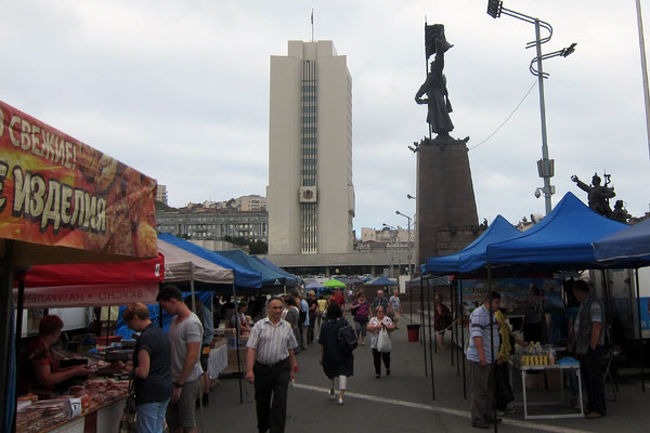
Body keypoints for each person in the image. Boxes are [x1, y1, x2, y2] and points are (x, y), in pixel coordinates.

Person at [246, 297, 298, 433]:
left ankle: (277, 430)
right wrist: (249, 370)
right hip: (262, 369)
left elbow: (291, 348)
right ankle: (263, 427)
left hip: (281, 368)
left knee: (280, 401)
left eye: (280, 308)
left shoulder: (287, 326)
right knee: (262, 402)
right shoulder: (259, 326)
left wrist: (293, 369)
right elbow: (251, 348)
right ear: (268, 309)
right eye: (274, 308)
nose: (277, 311)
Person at [157, 286, 204, 433]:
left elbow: (192, 356)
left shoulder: (192, 323)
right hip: (173, 379)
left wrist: (180, 384)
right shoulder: (175, 321)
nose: (165, 310)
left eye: (165, 306)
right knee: (173, 421)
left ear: (173, 301)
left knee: (187, 422)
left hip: (187, 380)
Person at [123, 303, 172, 433]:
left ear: (136, 318)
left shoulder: (145, 339)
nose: (129, 327)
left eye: (129, 323)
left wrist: (126, 368)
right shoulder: (161, 333)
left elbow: (143, 371)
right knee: (157, 428)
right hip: (164, 388)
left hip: (149, 393)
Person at [18, 315, 90, 398]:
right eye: (59, 331)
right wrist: (74, 371)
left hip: (41, 393)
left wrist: (74, 368)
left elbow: (52, 370)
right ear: (54, 332)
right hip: (35, 395)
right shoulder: (39, 348)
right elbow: (46, 379)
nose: (60, 334)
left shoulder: (43, 346)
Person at [572, 280, 606, 419]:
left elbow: (596, 325)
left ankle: (598, 408)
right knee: (588, 378)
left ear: (581, 291)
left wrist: (592, 346)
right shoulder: (584, 304)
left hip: (592, 347)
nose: (575, 296)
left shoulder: (594, 304)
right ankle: (592, 406)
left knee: (594, 379)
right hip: (584, 348)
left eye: (575, 293)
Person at [467, 292, 501, 429]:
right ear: (489, 302)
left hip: (489, 357)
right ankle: (477, 417)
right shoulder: (479, 314)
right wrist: (482, 355)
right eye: (497, 302)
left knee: (489, 388)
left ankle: (487, 413)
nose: (499, 305)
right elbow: (477, 335)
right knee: (480, 389)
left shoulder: (490, 314)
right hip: (480, 359)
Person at [415, 32, 454, 137]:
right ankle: (442, 133)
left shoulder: (435, 74)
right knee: (438, 117)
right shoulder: (433, 75)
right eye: (432, 65)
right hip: (435, 99)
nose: (432, 66)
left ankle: (443, 133)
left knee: (440, 117)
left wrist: (438, 45)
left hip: (436, 98)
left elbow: (439, 58)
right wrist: (418, 97)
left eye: (433, 65)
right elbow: (424, 87)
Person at [319, 303, 354, 405]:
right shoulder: (343, 322)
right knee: (343, 371)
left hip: (329, 352)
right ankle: (341, 397)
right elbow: (349, 338)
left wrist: (321, 356)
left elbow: (321, 342)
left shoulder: (325, 325)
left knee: (331, 372)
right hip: (343, 351)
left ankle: (332, 390)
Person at [185, 296, 214, 406]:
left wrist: (198, 338)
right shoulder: (201, 312)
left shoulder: (204, 312)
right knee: (204, 369)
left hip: (204, 344)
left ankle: (203, 395)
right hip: (204, 343)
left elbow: (208, 330)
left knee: (202, 369)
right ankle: (204, 394)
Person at [494, 308, 515, 415]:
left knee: (504, 381)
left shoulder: (501, 317)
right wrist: (500, 355)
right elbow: (500, 337)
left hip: (504, 355)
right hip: (500, 356)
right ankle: (500, 406)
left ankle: (505, 404)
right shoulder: (497, 316)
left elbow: (507, 333)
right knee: (500, 382)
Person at [367, 305, 395, 378]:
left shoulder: (387, 319)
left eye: (382, 311)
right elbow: (368, 327)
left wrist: (388, 328)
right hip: (375, 343)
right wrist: (376, 327)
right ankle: (377, 372)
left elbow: (392, 327)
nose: (381, 313)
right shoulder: (373, 319)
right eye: (379, 312)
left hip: (385, 342)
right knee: (376, 358)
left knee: (386, 357)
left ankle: (387, 367)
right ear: (376, 313)